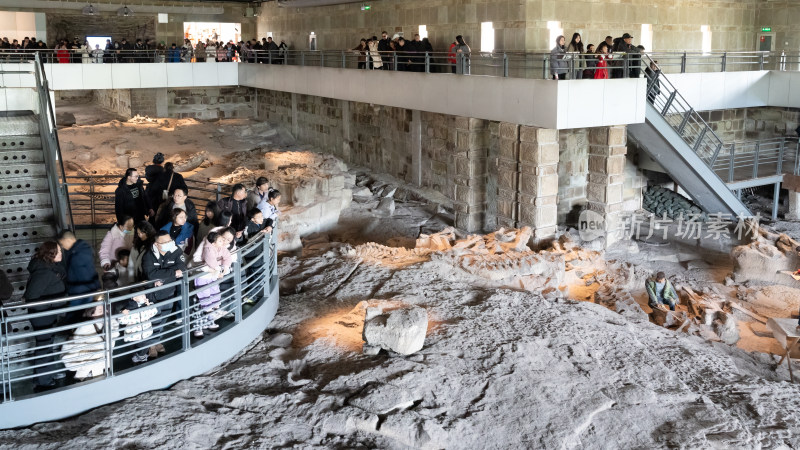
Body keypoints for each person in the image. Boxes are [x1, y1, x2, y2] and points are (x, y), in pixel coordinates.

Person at [24, 242, 67, 391]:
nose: (62, 253)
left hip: (47, 315)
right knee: (44, 346)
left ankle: (46, 374)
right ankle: (43, 381)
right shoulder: (43, 272)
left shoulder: (49, 268)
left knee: (47, 344)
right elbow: (31, 298)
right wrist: (51, 306)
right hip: (42, 316)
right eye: (59, 251)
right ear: (51, 254)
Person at [140, 230, 187, 361]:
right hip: (152, 295)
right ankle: (150, 345)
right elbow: (151, 275)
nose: (169, 243)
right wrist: (173, 273)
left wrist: (164, 275)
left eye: (170, 240)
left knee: (163, 319)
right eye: (165, 242)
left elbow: (182, 268)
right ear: (157, 244)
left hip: (169, 292)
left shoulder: (175, 250)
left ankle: (156, 340)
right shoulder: (149, 255)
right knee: (153, 320)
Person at [61, 296, 118, 381]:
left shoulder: (111, 323)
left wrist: (107, 325)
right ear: (92, 312)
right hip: (86, 362)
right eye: (100, 310)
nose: (104, 311)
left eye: (105, 309)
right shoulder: (85, 326)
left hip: (98, 361)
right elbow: (74, 345)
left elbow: (111, 342)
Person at [193, 231, 232, 337]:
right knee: (202, 298)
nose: (224, 242)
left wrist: (225, 268)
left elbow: (227, 257)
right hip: (202, 276)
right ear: (214, 243)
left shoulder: (220, 247)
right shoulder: (208, 248)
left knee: (214, 292)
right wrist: (219, 271)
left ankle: (211, 316)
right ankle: (199, 326)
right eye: (221, 240)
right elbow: (211, 262)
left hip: (212, 276)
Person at [58, 230, 101, 320]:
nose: (62, 247)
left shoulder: (77, 255)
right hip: (83, 290)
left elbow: (84, 275)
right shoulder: (80, 249)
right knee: (80, 314)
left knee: (76, 315)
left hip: (80, 291)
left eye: (62, 244)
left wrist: (94, 288)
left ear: (68, 240)